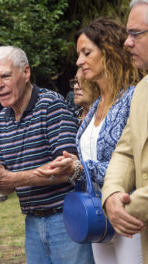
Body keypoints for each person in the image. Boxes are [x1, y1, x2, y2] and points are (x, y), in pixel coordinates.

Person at [0, 45, 94, 264]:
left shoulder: (51, 105)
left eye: (5, 76)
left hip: (66, 219)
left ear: (26, 73)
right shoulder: (3, 121)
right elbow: (8, 182)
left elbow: (68, 170)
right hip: (32, 222)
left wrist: (13, 178)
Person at [38, 18, 142, 263]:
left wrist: (80, 167)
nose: (79, 61)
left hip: (128, 216)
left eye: (86, 53)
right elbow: (88, 163)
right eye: (78, 54)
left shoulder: (134, 98)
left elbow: (135, 165)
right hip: (98, 219)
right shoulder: (95, 107)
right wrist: (72, 166)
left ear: (109, 52)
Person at [101, 1, 148, 263]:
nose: (127, 43)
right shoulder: (141, 90)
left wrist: (122, 207)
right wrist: (111, 194)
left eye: (135, 34)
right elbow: (125, 152)